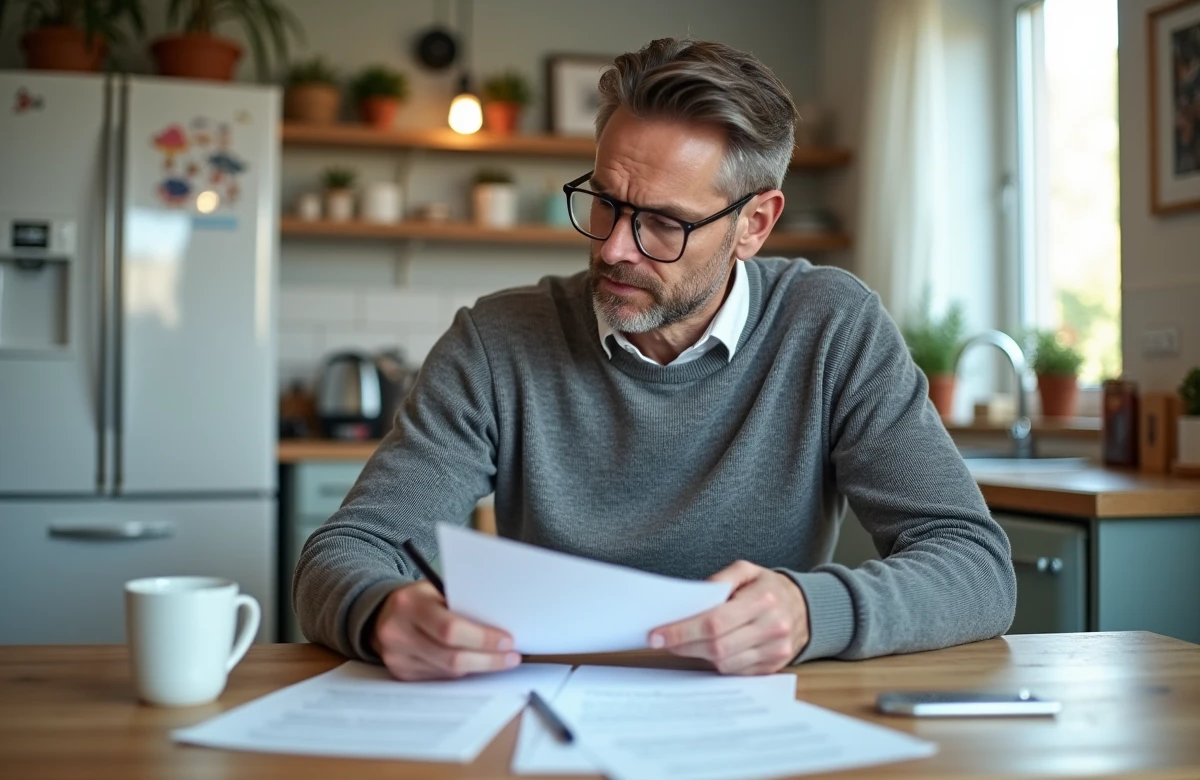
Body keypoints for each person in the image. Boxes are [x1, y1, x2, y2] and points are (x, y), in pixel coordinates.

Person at [294, 37, 1016, 681]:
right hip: (547, 705)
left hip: (758, 717)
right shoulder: (497, 341)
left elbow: (975, 566)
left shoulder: (830, 327)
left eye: (663, 223)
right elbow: (346, 551)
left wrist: (809, 610)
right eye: (605, 202)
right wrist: (382, 612)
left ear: (753, 225)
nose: (612, 247)